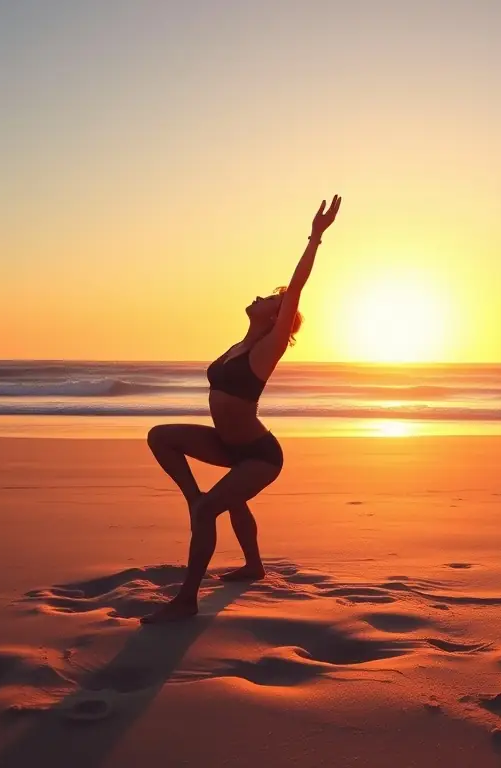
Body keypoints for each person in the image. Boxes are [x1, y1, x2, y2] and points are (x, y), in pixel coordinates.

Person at [142, 195, 342, 623]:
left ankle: (186, 601)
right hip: (226, 444)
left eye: (270, 298)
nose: (259, 296)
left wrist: (315, 237)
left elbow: (297, 289)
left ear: (277, 318)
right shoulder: (239, 344)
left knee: (212, 510)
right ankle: (247, 559)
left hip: (258, 455)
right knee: (161, 437)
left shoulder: (269, 347)